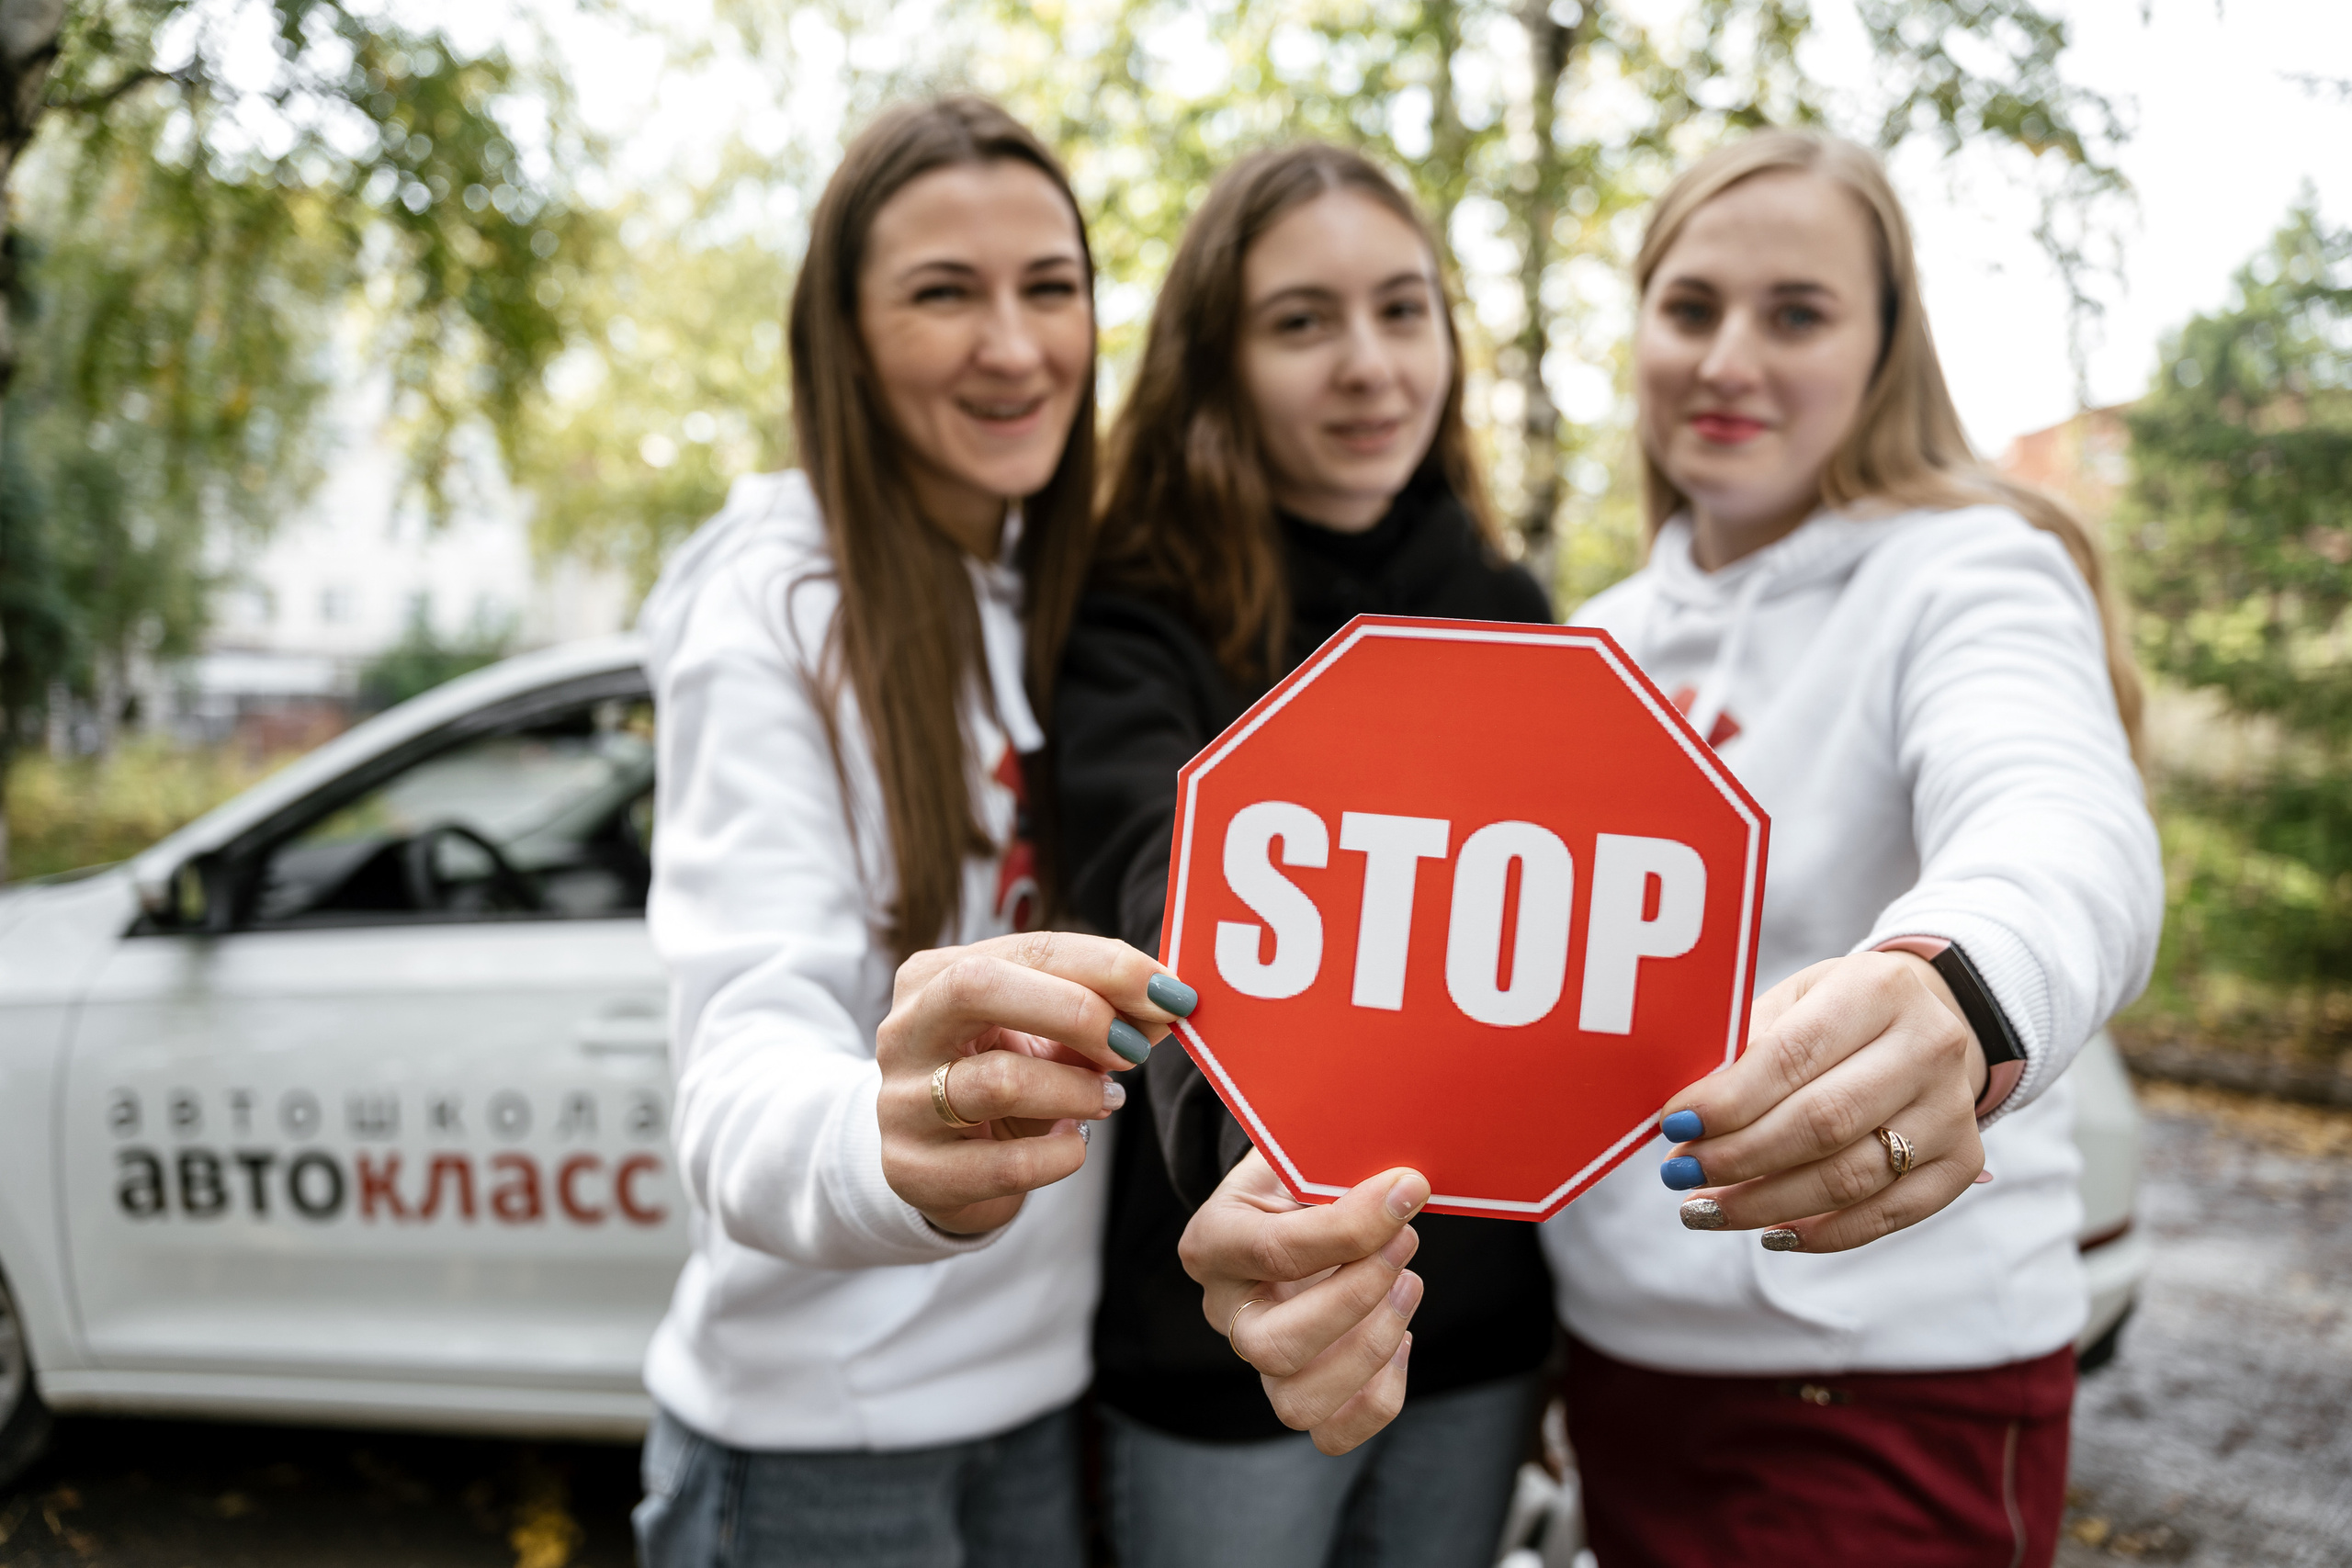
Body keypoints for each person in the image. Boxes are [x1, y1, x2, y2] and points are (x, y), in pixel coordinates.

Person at [1182, 128, 2163, 1568]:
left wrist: (1962, 987)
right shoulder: (1596, 642)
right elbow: (1480, 992)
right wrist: (1298, 1163)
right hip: (1618, 1382)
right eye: (1690, 308)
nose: (1728, 361)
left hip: (1881, 1391)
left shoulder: (1969, 571)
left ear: (1886, 346)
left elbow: (2059, 818)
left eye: (1798, 314)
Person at [629, 96, 1193, 1567]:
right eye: (945, 293)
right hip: (817, 1451)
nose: (1014, 346)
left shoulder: (1062, 590)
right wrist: (879, 1147)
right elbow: (737, 1056)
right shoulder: (771, 610)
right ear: (847, 340)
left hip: (1042, 1402)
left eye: (1050, 288)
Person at [1053, 143, 1557, 1568]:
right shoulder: (1133, 616)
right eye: (1301, 322)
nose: (1369, 366)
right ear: (1216, 364)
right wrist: (1256, 1169)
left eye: (1403, 310)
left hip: (1481, 1334)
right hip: (1230, 1323)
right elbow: (1163, 888)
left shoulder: (1514, 612)